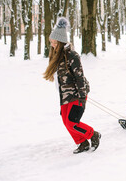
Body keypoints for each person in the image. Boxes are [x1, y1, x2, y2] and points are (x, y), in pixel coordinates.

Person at [43, 17, 101, 154]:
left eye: (54, 42)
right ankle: (82, 143)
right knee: (65, 121)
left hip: (76, 95)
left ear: (61, 41)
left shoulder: (72, 55)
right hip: (64, 95)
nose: (52, 44)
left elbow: (79, 76)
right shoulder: (57, 56)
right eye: (51, 42)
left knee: (72, 122)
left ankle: (93, 134)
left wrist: (82, 96)